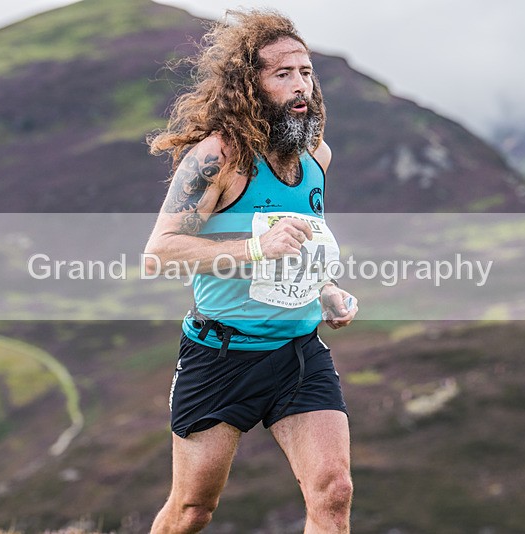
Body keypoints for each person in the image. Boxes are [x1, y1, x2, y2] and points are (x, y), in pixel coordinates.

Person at [143, 9, 359, 533]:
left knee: (333, 493)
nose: (300, 85)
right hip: (221, 354)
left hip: (297, 352)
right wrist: (256, 248)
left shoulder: (315, 158)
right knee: (193, 510)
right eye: (282, 74)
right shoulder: (218, 158)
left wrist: (325, 289)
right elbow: (160, 251)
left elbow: (299, 246)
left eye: (306, 72)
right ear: (250, 85)